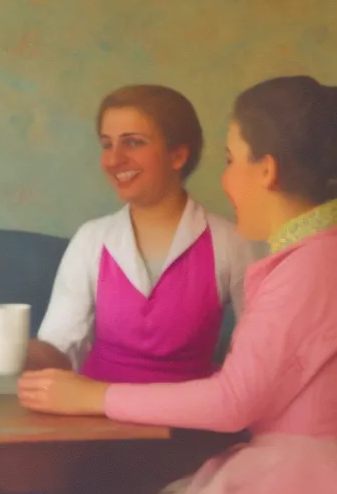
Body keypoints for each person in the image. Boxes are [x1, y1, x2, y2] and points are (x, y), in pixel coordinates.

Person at [18, 75, 337, 493]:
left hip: (219, 446)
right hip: (101, 436)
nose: (114, 159)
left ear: (266, 169)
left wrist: (92, 396)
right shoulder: (307, 258)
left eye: (230, 160)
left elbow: (236, 397)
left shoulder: (282, 258)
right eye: (106, 143)